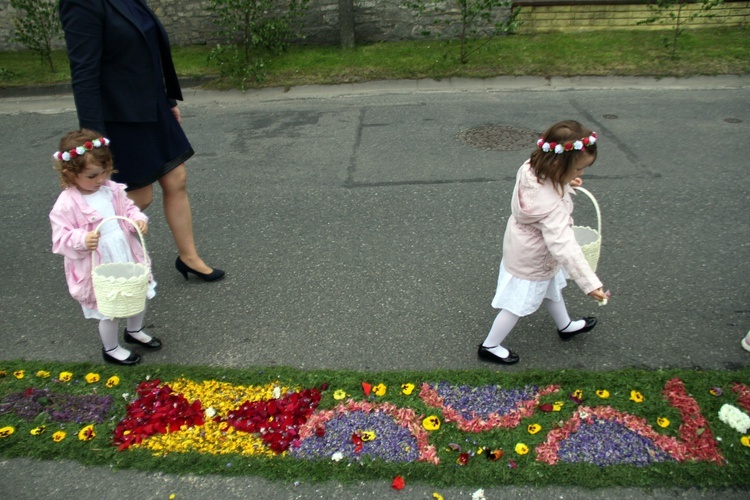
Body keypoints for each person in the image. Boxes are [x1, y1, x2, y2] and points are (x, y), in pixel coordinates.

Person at [59, 0, 224, 282]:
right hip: (120, 115)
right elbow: (84, 73)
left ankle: (189, 257)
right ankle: (90, 244)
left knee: (177, 178)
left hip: (152, 105)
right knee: (140, 196)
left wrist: (167, 98)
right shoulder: (81, 3)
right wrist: (94, 139)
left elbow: (148, 52)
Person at [478, 120, 608, 365]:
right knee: (516, 305)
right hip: (534, 259)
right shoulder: (551, 209)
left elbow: (548, 183)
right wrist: (589, 282)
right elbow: (566, 247)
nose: (581, 174)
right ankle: (490, 345)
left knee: (551, 289)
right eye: (578, 170)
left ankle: (565, 325)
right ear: (558, 165)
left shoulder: (531, 168)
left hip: (522, 246)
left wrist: (565, 181)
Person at [50, 129, 163, 366]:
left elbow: (128, 209)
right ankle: (110, 348)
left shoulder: (111, 190)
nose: (100, 180)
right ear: (70, 174)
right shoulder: (66, 205)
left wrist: (138, 220)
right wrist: (81, 240)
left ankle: (134, 330)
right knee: (108, 307)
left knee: (136, 292)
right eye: (92, 176)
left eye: (103, 172)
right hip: (98, 264)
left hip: (123, 252)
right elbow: (61, 238)